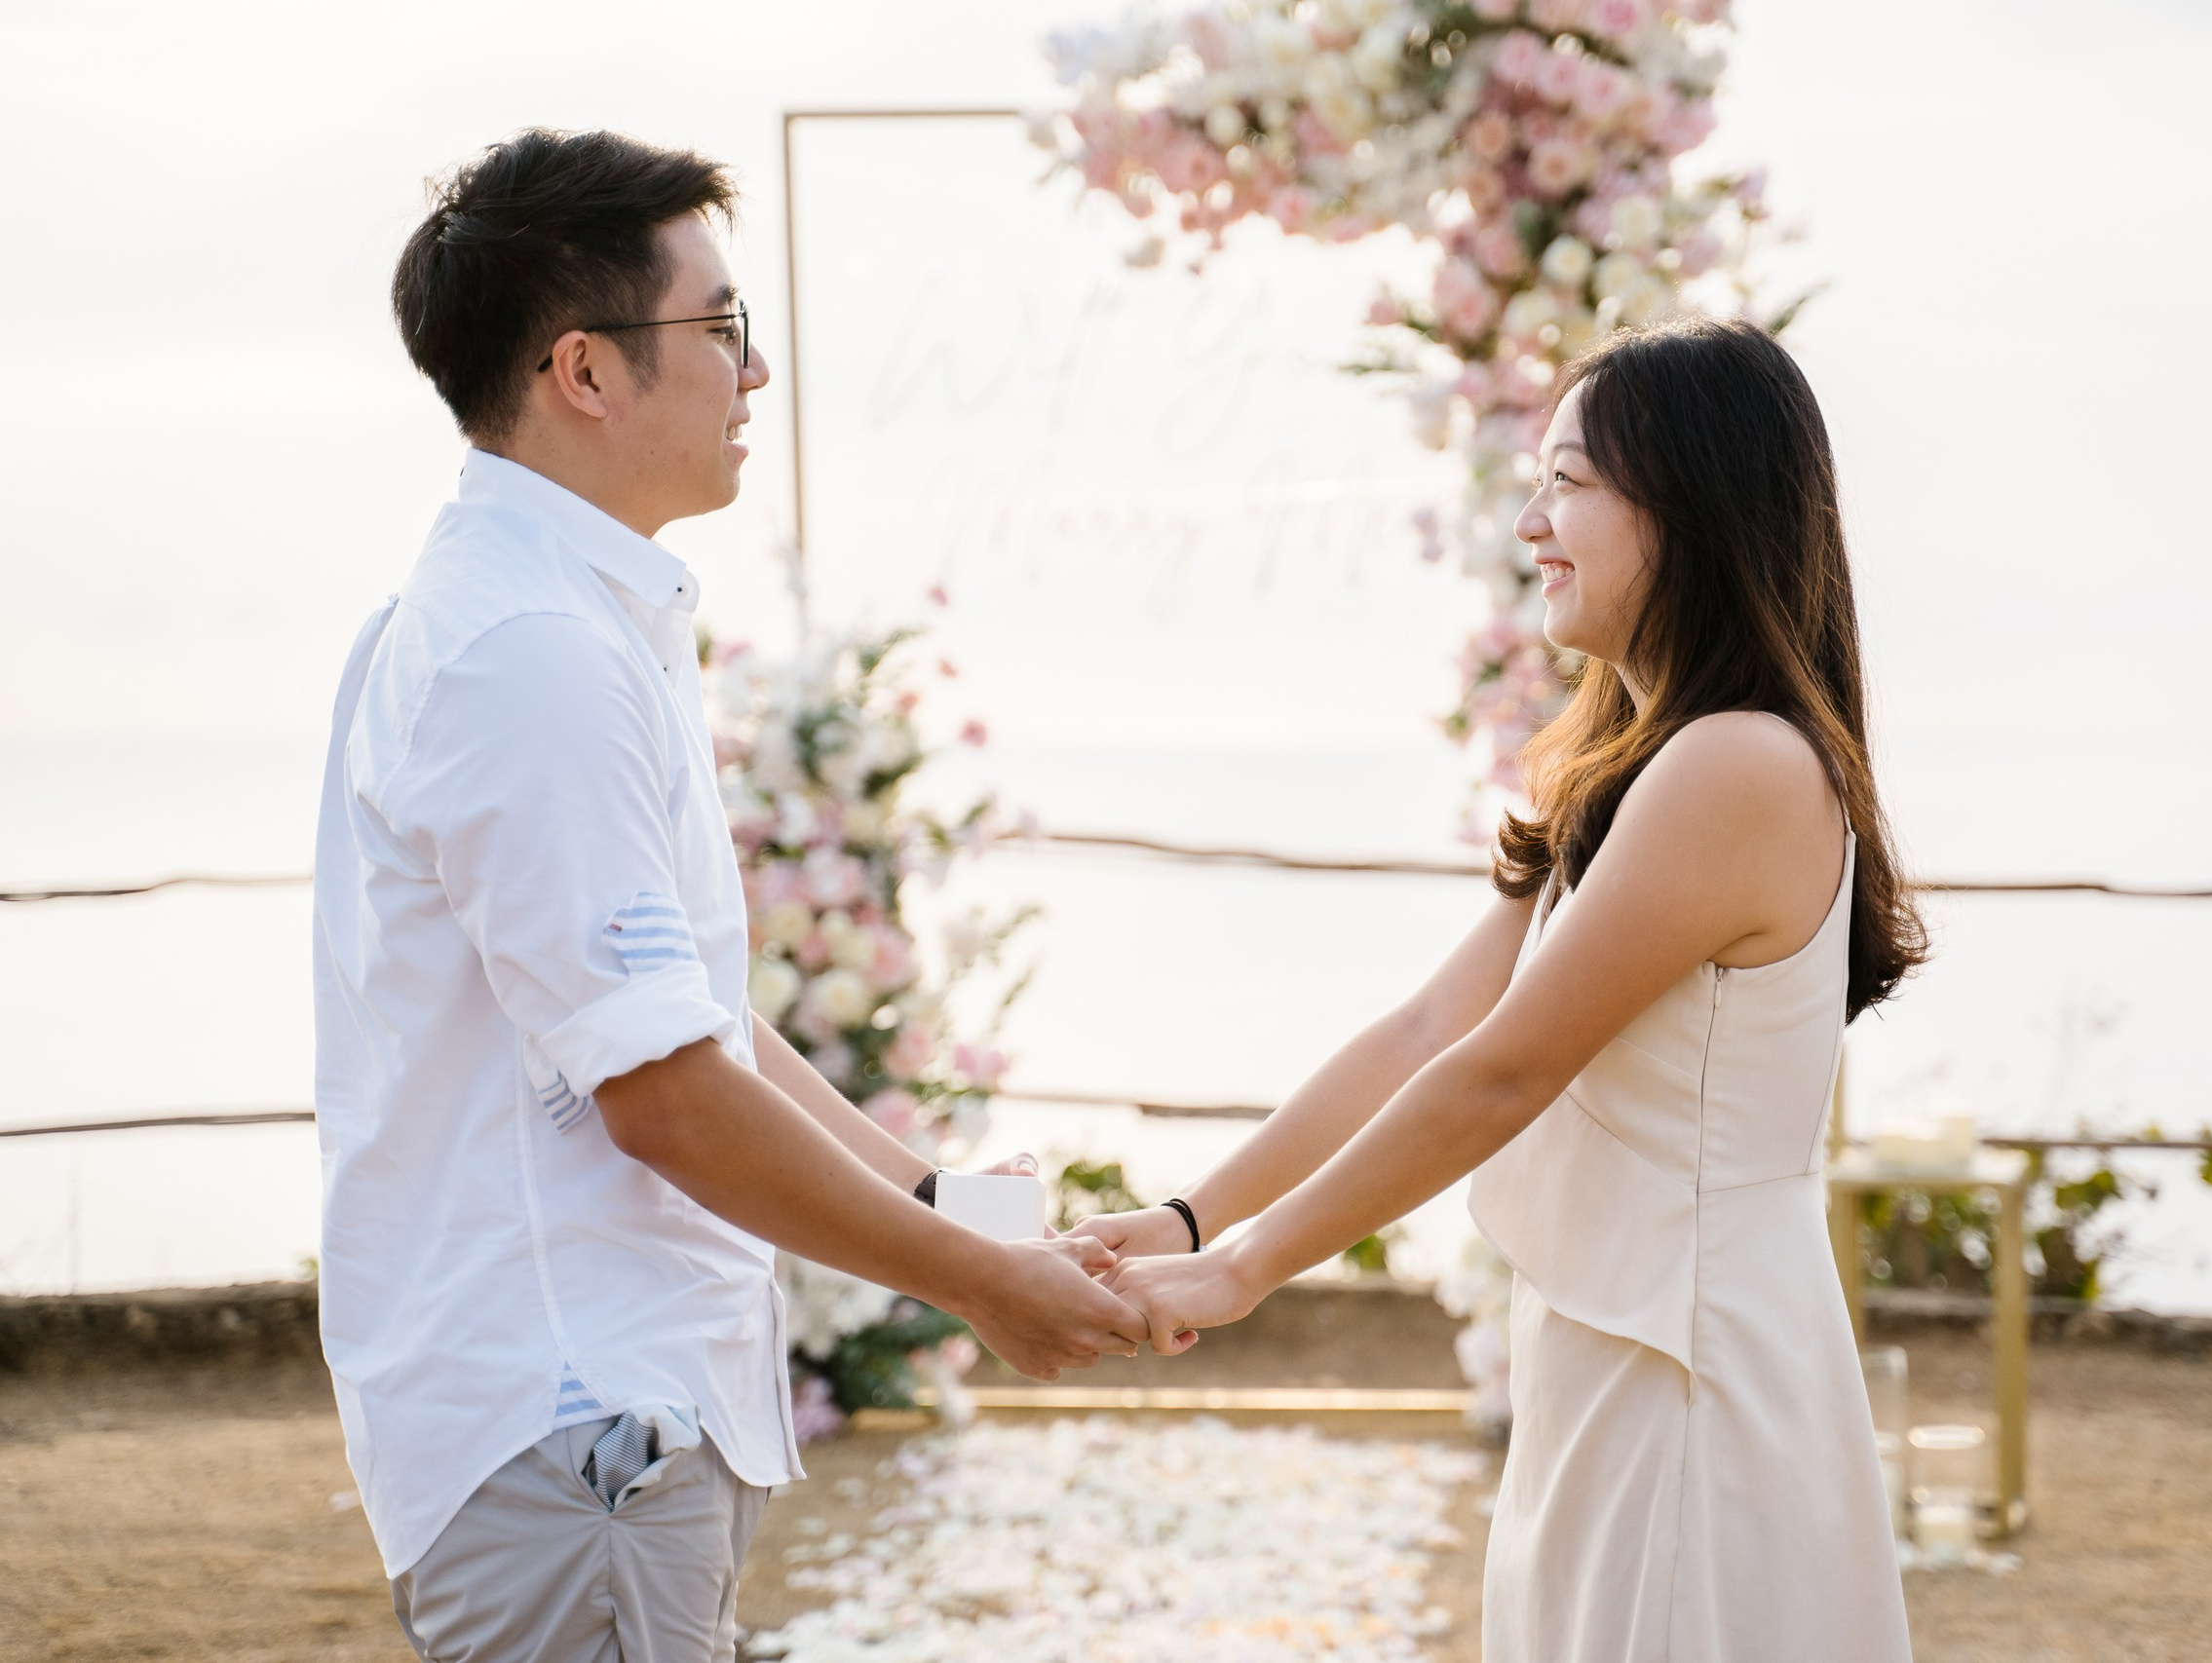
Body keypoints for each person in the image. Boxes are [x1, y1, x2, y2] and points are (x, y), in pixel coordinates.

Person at [313, 129, 1145, 1663]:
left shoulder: (558, 616)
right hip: (577, 1427)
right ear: (586, 370)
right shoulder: (528, 652)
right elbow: (666, 1096)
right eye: (722, 329)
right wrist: (980, 1286)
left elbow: (686, 1021)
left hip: (606, 1423)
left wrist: (951, 1209)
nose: (753, 375)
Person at [1080, 318, 1925, 1660]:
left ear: (1691, 499)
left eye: (1569, 480)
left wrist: (1249, 1270)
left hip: (1692, 1362)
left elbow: (1505, 1072)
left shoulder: (1741, 766)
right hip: (1614, 1344)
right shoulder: (1636, 764)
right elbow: (1432, 1030)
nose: (1531, 520)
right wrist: (1191, 1221)